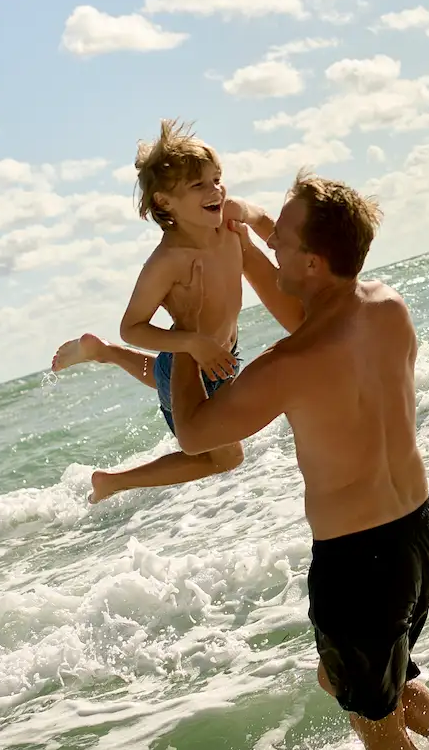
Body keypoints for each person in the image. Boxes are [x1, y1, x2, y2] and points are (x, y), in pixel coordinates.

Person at [166, 171, 429, 750]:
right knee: (375, 681)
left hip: (358, 566)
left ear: (314, 261)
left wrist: (186, 337)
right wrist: (246, 231)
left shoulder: (293, 361)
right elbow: (310, 304)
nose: (273, 240)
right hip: (419, 539)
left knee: (381, 743)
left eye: (284, 235)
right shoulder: (387, 307)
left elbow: (196, 433)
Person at [51, 120, 303, 503]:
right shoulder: (167, 262)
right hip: (195, 352)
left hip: (215, 353)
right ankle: (113, 482)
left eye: (217, 179)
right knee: (224, 456)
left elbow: (267, 224)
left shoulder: (229, 217)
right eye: (198, 185)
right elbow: (132, 326)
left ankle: (102, 353)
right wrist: (194, 342)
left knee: (164, 375)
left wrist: (277, 246)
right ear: (164, 202)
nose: (215, 190)